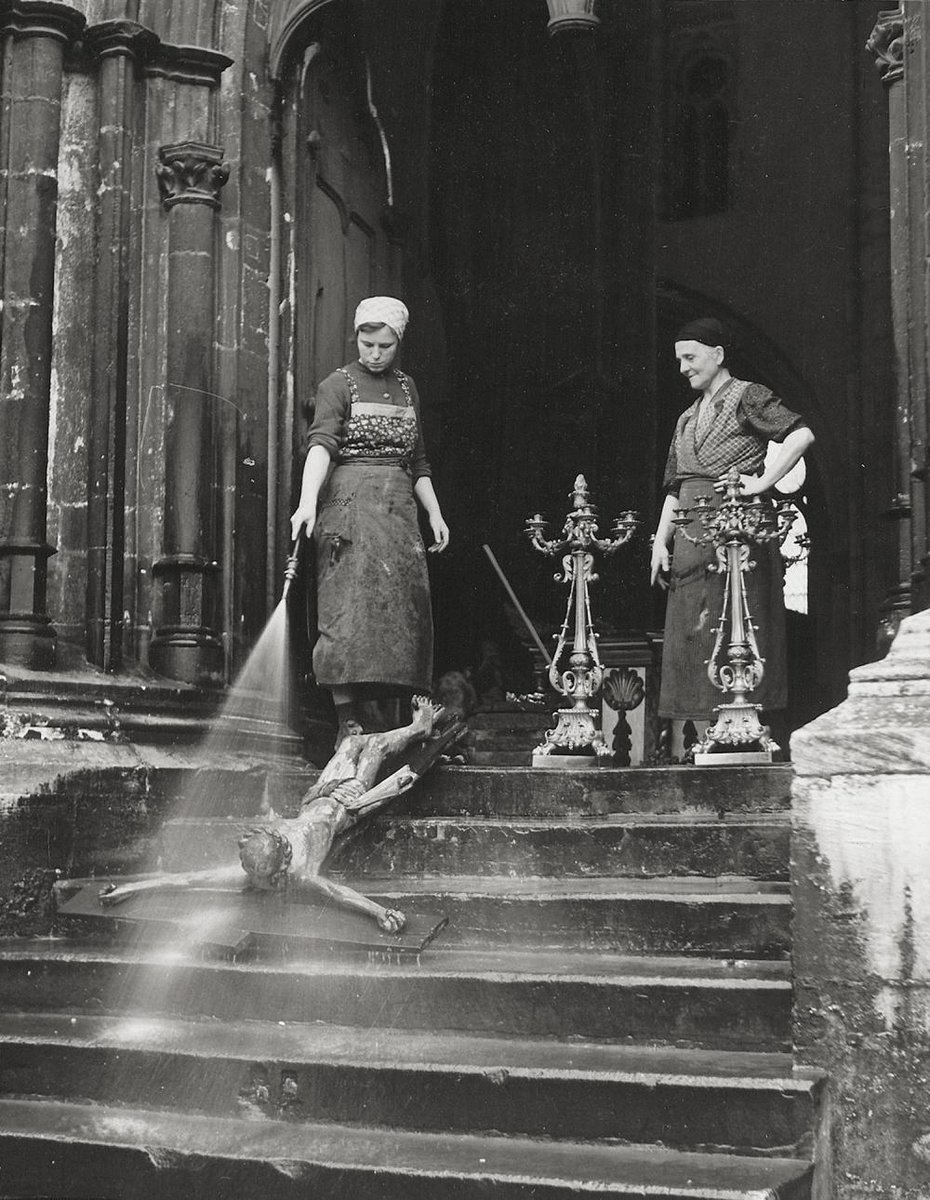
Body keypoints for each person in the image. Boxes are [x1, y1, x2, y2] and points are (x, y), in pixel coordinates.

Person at [290, 297, 449, 736]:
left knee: (404, 611)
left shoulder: (408, 387)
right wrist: (307, 503)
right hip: (349, 508)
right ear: (356, 337)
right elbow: (321, 446)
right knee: (346, 612)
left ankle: (407, 725)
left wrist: (434, 512)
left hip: (398, 511)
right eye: (367, 343)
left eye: (385, 346)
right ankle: (348, 722)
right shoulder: (336, 385)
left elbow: (418, 461)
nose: (375, 354)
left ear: (398, 342)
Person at [650, 317, 815, 731]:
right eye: (680, 360)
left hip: (735, 528)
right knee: (694, 631)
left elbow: (801, 435)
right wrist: (659, 541)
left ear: (718, 355)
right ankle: (706, 733)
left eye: (690, 357)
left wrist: (761, 481)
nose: (683, 367)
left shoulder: (747, 397)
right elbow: (675, 484)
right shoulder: (686, 417)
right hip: (691, 535)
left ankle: (744, 728)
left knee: (738, 622)